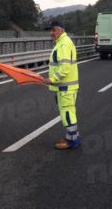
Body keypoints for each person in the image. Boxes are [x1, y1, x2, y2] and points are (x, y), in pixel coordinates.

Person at [43, 20, 80, 149]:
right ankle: (71, 137)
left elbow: (65, 68)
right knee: (68, 112)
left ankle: (72, 141)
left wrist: (52, 79)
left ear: (61, 30)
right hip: (65, 86)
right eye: (50, 30)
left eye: (53, 30)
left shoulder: (63, 44)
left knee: (67, 113)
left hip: (66, 87)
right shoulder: (61, 43)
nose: (51, 33)